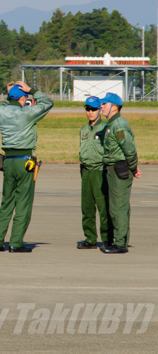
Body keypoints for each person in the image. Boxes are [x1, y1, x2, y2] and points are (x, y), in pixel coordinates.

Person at [0, 81, 53, 253]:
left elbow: (4, 105)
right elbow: (48, 103)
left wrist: (10, 92)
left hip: (8, 160)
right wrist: (31, 89)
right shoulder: (27, 113)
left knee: (7, 202)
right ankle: (16, 243)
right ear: (23, 98)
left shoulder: (1, 112)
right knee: (23, 202)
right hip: (24, 160)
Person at [98, 92, 141, 254]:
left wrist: (133, 167)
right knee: (116, 206)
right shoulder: (111, 124)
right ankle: (119, 239)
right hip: (113, 168)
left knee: (118, 207)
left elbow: (129, 149)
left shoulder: (119, 125)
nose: (101, 107)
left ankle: (120, 243)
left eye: (105, 104)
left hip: (119, 168)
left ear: (114, 107)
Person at [77, 96, 109, 250]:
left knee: (103, 207)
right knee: (87, 207)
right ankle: (90, 238)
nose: (90, 112)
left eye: (93, 109)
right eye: (88, 109)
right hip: (86, 171)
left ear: (99, 110)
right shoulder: (83, 129)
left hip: (100, 171)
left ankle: (107, 239)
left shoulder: (106, 128)